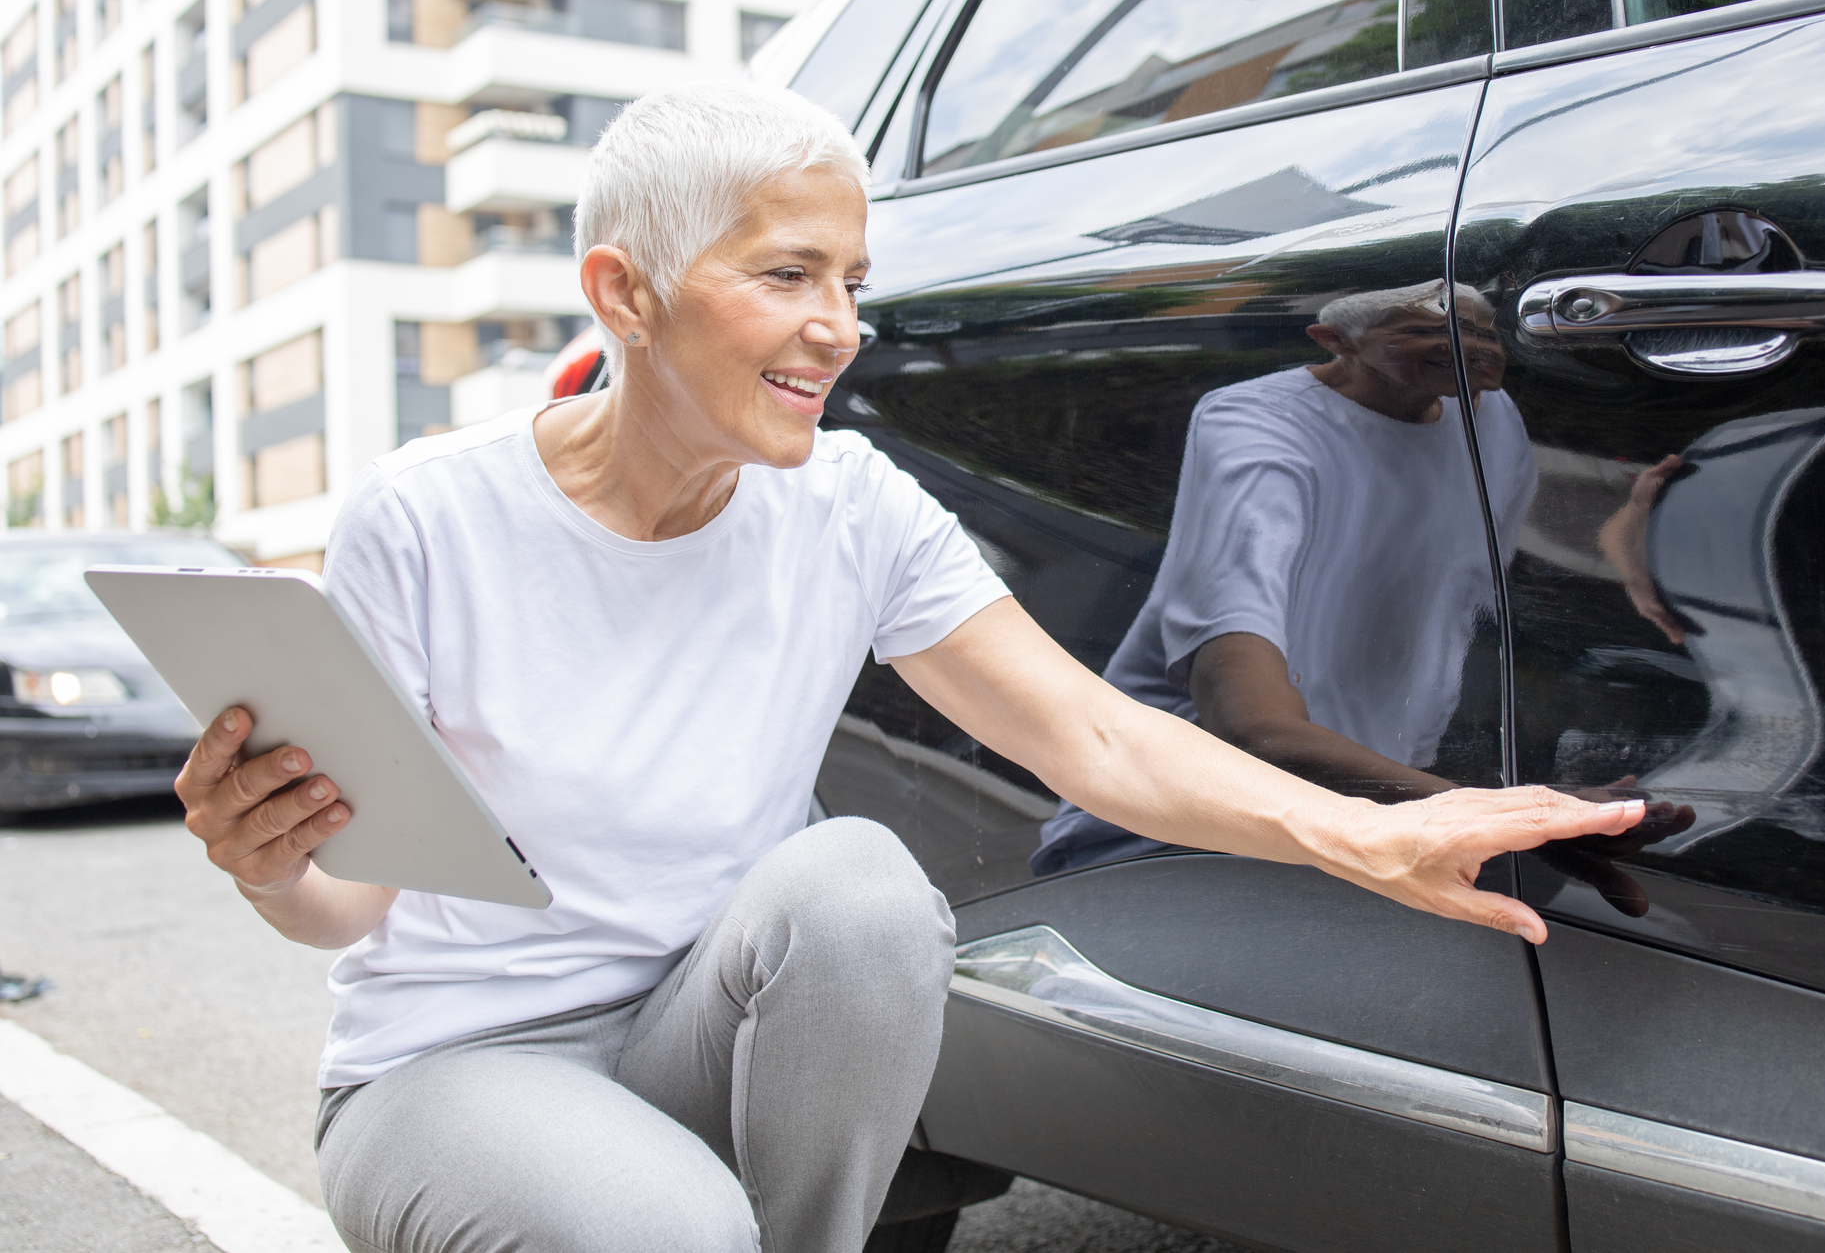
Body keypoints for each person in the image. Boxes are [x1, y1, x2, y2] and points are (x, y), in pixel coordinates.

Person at [172, 85, 1647, 1253]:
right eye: (788, 272)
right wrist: (266, 864)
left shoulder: (850, 502)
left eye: (854, 278)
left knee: (863, 886)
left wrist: (1367, 837)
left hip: (704, 1026)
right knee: (670, 1227)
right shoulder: (426, 512)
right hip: (458, 1066)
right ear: (624, 294)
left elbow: (1094, 735)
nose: (840, 326)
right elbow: (343, 905)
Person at [1036, 281, 1534, 872]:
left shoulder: (1490, 420)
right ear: (1334, 342)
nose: (1465, 345)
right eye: (1424, 329)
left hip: (1371, 823)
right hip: (1185, 837)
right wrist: (1488, 815)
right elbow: (1249, 727)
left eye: (1480, 331)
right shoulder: (1259, 429)